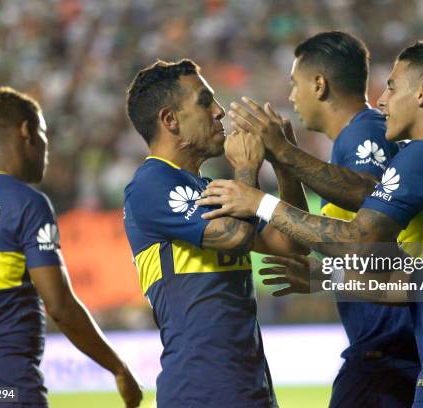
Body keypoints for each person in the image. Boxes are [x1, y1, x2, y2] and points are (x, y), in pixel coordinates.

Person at [197, 39, 423, 407]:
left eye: (392, 87)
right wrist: (324, 277)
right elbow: (422, 281)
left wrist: (260, 202)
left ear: (422, 93)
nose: (381, 101)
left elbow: (358, 241)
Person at [229, 31, 419, 407]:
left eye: (294, 84)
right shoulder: (348, 142)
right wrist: (283, 159)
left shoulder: (364, 131)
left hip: (391, 351)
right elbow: (352, 244)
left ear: (319, 84)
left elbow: (371, 195)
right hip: (388, 349)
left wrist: (273, 172)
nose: (292, 96)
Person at [123, 59, 308, 408]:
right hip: (201, 393)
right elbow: (234, 237)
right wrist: (246, 168)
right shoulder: (151, 184)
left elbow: (291, 244)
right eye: (205, 102)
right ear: (170, 120)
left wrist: (284, 161)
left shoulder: (211, 189)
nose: (220, 112)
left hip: (251, 391)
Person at [0, 87, 142, 408]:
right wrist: (118, 368)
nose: (46, 150)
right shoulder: (26, 203)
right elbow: (60, 306)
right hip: (8, 384)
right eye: (43, 134)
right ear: (26, 132)